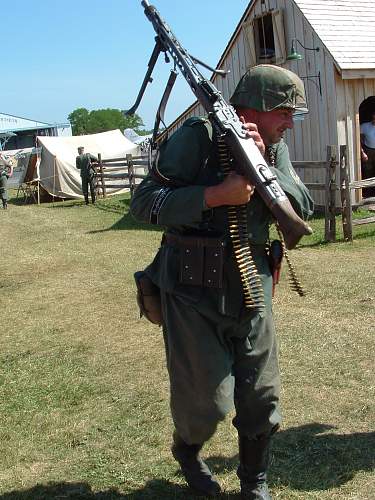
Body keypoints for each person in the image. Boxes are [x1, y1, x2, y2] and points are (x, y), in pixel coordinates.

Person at [130, 64, 314, 499]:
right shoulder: (198, 135)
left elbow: (301, 206)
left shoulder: (270, 146)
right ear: (259, 105)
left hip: (253, 290)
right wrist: (213, 196)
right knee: (205, 407)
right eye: (285, 112)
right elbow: (144, 202)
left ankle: (255, 483)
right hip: (193, 290)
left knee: (262, 397)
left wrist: (265, 162)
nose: (289, 123)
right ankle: (187, 452)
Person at [360, 112, 375, 198]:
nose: (374, 120)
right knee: (368, 172)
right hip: (368, 151)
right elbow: (359, 140)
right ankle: (368, 194)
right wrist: (362, 153)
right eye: (373, 118)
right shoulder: (364, 126)